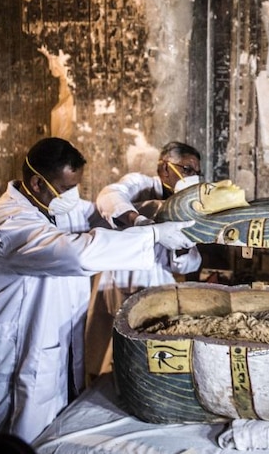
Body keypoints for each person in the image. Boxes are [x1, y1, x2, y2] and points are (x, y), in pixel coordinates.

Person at [0, 137, 194, 444]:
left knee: (52, 430)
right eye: (67, 188)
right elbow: (76, 253)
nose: (72, 195)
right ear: (37, 183)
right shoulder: (7, 223)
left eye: (75, 187)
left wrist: (157, 212)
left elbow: (98, 215)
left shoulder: (53, 205)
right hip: (7, 352)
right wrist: (153, 235)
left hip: (46, 339)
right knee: (6, 441)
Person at [85, 141, 204, 380]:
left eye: (197, 173)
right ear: (165, 168)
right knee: (106, 352)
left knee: (147, 356)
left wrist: (183, 244)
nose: (194, 178)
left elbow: (187, 263)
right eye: (188, 170)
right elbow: (110, 197)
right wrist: (138, 221)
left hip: (158, 282)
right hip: (122, 276)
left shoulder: (188, 204)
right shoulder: (139, 185)